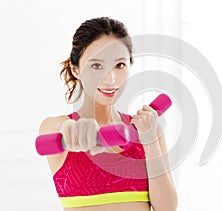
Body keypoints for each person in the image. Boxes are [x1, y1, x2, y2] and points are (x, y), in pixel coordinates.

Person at [39, 17, 178, 211]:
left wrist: (150, 141)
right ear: (76, 69)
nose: (110, 78)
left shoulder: (147, 128)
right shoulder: (57, 126)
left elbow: (167, 208)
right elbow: (54, 129)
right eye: (96, 65)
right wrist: (72, 129)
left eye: (119, 65)